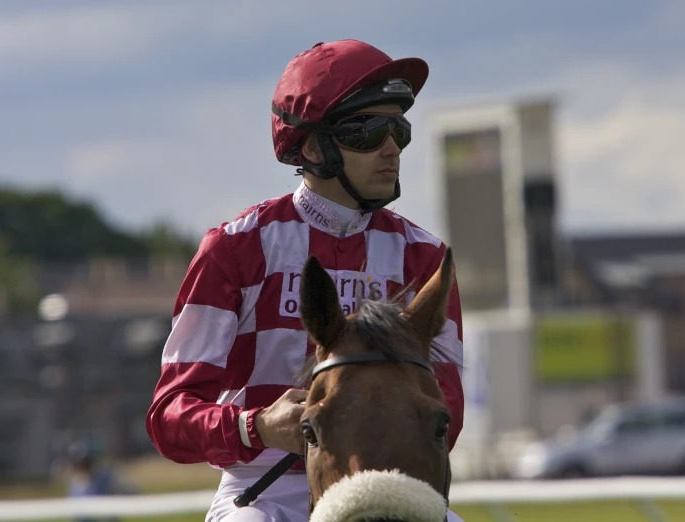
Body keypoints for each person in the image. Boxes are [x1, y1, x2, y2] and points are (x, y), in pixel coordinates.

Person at [146, 39, 465, 522]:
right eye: (368, 130)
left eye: (399, 128)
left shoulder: (425, 258)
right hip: (264, 491)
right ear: (314, 146)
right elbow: (169, 418)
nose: (391, 147)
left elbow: (447, 409)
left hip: (394, 489)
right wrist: (257, 427)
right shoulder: (235, 248)